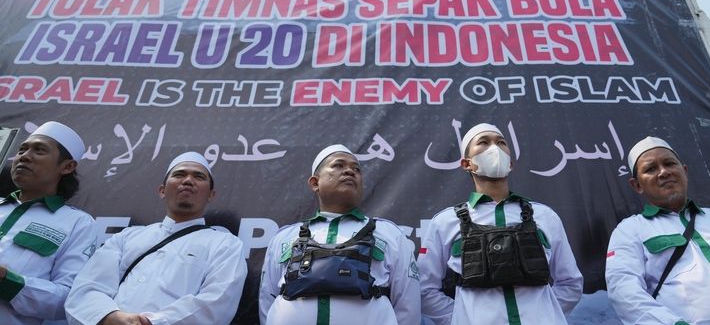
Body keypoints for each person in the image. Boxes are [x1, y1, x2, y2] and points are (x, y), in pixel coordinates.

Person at [418, 123, 583, 324]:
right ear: (466, 164)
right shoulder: (445, 222)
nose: (495, 148)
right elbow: (424, 289)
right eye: (484, 142)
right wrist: (461, 318)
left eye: (501, 142)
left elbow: (570, 282)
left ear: (511, 163)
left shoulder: (544, 216)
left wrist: (546, 313)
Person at [65, 151, 247, 325]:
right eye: (179, 174)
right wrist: (110, 317)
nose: (188, 181)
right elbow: (86, 289)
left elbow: (215, 304)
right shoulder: (127, 237)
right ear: (162, 190)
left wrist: (150, 322)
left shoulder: (226, 245)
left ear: (211, 195)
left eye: (199, 177)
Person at [605, 136, 710, 324]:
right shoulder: (630, 230)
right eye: (651, 169)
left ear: (684, 171)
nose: (664, 172)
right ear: (637, 185)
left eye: (669, 164)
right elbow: (624, 291)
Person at [259, 144, 421, 325]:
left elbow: (408, 307)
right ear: (315, 183)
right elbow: (268, 300)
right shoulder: (285, 237)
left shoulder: (389, 234)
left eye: (356, 169)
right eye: (338, 165)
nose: (350, 172)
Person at [0, 121, 96, 325]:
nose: (24, 156)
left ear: (67, 166)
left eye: (39, 150)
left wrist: (7, 281)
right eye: (22, 149)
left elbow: (69, 300)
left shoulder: (77, 223)